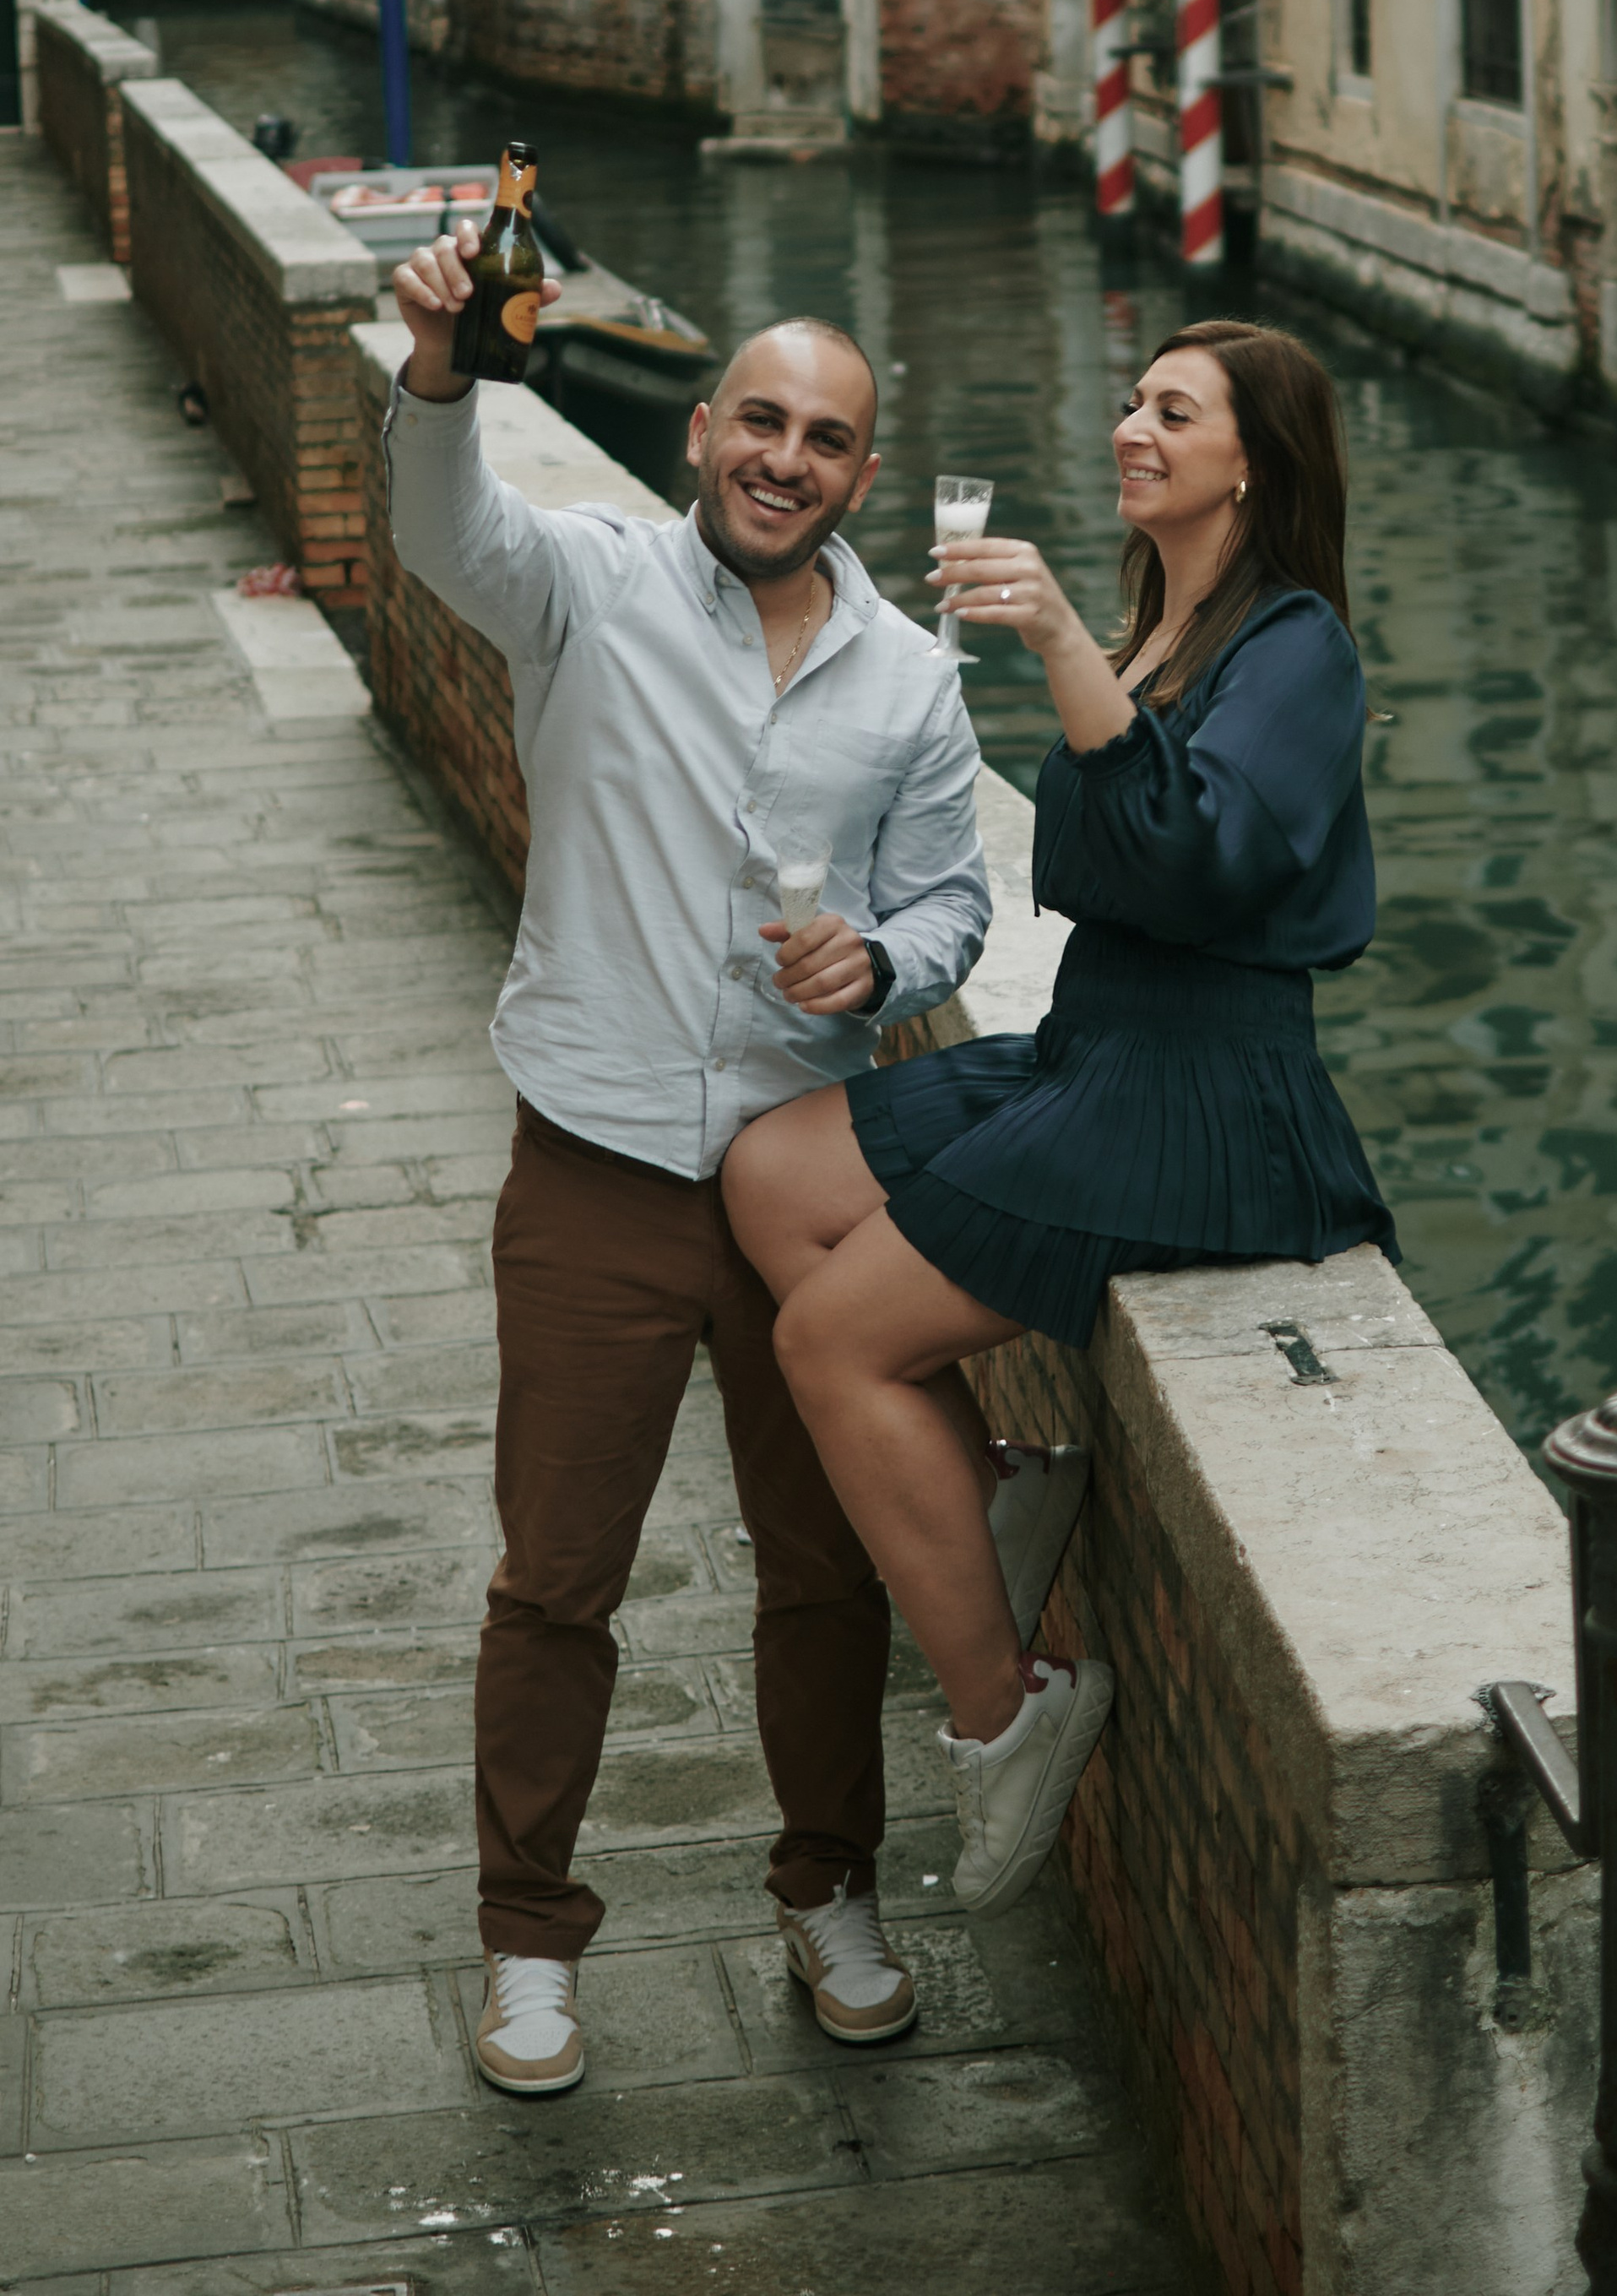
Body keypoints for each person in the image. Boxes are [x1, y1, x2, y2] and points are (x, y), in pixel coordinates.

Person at [384, 228, 996, 2096]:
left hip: (802, 1191)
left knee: (823, 1573)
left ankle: (830, 1893)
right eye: (759, 421)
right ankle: (527, 1938)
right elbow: (439, 524)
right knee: (557, 1574)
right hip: (593, 1165)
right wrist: (440, 367)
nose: (783, 459)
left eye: (824, 438)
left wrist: (883, 963)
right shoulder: (582, 586)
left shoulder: (911, 680)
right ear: (700, 433)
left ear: (861, 475)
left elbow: (955, 900)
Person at [724, 318, 1396, 1920]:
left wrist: (1062, 644)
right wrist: (1093, 651)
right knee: (771, 1172)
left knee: (831, 1341)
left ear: (1256, 463)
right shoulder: (1169, 623)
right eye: (1133, 400)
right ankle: (1004, 1485)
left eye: (1176, 412)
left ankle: (1009, 1710)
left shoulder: (1298, 646)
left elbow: (1197, 863)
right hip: (1096, 1045)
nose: (1132, 428)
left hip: (1204, 1095)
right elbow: (1089, 867)